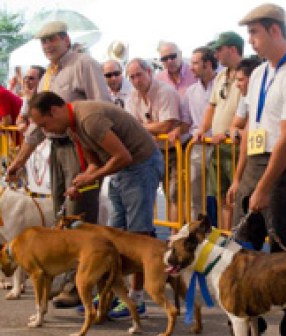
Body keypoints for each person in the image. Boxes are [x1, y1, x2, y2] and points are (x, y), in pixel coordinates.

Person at [208, 3, 286, 336]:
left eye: (255, 33)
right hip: (256, 167)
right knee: (239, 255)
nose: (250, 40)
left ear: (274, 30)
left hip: (283, 173)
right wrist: (241, 179)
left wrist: (266, 186)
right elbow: (250, 132)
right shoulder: (258, 75)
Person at [6, 21, 111, 308]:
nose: (48, 46)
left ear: (66, 39)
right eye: (43, 42)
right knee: (62, 213)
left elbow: (103, 106)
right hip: (57, 147)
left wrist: (95, 155)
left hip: (82, 145)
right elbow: (37, 125)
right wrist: (19, 160)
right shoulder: (47, 76)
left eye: (52, 40)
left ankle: (82, 283)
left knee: (80, 213)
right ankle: (68, 276)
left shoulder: (84, 64)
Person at [27, 91, 163, 250]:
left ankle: (145, 272)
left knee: (138, 232)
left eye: (44, 125)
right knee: (116, 231)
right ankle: (117, 273)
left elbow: (123, 157)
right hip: (124, 168)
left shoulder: (88, 119)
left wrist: (91, 178)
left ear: (55, 111)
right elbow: (94, 163)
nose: (47, 131)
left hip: (141, 164)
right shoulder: (71, 126)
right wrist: (81, 183)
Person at [118, 57, 181, 318]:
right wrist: (146, 131)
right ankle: (132, 291)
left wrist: (142, 130)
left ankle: (177, 256)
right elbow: (134, 127)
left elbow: (167, 125)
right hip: (144, 156)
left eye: (138, 75)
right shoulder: (133, 96)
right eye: (130, 77)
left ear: (149, 72)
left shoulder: (165, 91)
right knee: (134, 225)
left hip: (170, 154)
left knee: (173, 206)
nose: (135, 81)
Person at [193, 31, 244, 230]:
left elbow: (250, 107)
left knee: (236, 198)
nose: (216, 55)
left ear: (232, 49)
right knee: (222, 197)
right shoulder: (222, 75)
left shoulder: (249, 73)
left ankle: (236, 241)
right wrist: (202, 129)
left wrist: (230, 131)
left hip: (237, 146)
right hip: (220, 146)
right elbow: (212, 106)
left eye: (219, 50)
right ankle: (225, 239)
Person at [181, 46, 218, 219]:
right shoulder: (191, 92)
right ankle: (196, 232)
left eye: (195, 63)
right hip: (197, 147)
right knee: (195, 192)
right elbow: (186, 121)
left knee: (222, 194)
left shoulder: (222, 85)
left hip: (221, 145)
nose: (191, 67)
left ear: (208, 64)